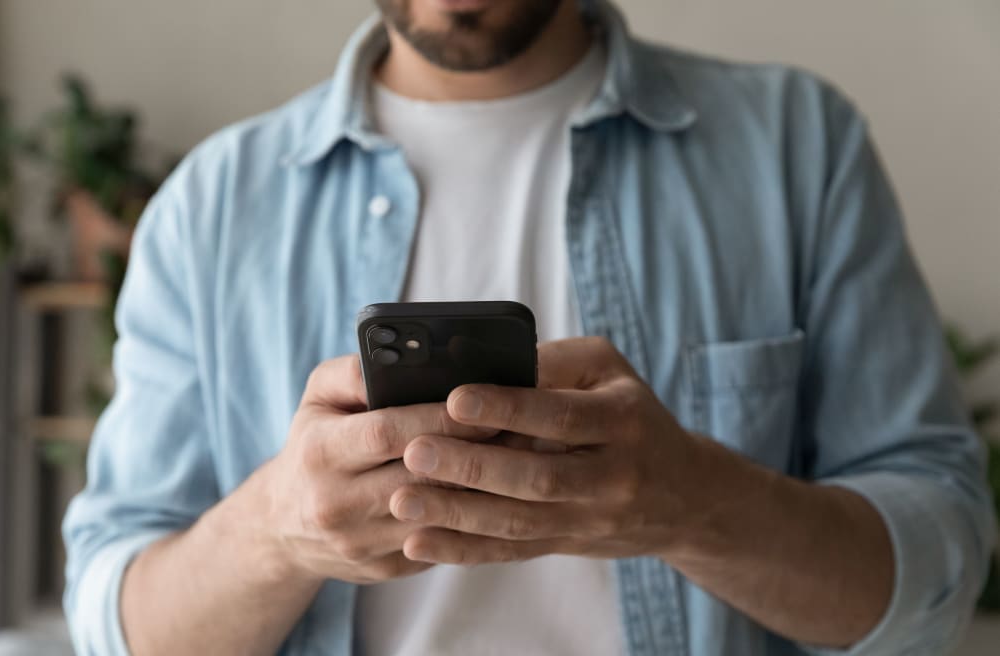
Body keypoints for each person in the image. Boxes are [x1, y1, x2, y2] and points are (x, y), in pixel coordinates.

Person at [62, 1, 997, 654]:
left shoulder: (797, 148)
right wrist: (274, 534)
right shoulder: (212, 206)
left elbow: (936, 573)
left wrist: (693, 502)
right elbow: (117, 623)